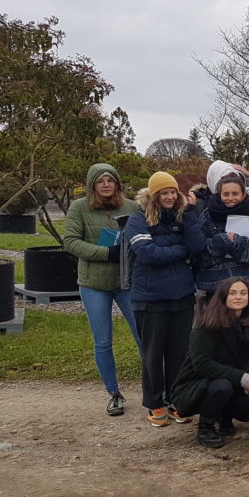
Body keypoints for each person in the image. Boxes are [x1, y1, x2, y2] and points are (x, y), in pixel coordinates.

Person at [63, 163, 142, 416]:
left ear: (117, 184)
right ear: (92, 185)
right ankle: (114, 393)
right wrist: (106, 253)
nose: (106, 185)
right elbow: (71, 241)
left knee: (144, 336)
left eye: (111, 180)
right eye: (100, 181)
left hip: (127, 282)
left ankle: (157, 388)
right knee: (103, 341)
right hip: (94, 283)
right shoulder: (79, 207)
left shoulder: (131, 207)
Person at [125, 172, 203, 427]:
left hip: (181, 296)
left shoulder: (183, 218)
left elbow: (198, 246)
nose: (169, 197)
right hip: (149, 299)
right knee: (152, 354)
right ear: (153, 195)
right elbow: (148, 254)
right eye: (164, 193)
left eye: (172, 192)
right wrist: (181, 252)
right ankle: (155, 403)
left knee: (179, 354)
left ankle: (177, 400)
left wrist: (190, 213)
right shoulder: (137, 221)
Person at [190, 172, 249, 400]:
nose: (230, 198)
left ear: (243, 193)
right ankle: (218, 386)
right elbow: (200, 251)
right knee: (218, 338)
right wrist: (220, 243)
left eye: (235, 193)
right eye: (225, 194)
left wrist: (236, 244)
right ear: (218, 193)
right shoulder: (206, 216)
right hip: (215, 287)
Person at [169, 278, 249, 449]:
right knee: (222, 386)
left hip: (231, 379)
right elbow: (202, 364)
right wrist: (241, 377)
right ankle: (206, 427)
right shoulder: (206, 324)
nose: (239, 297)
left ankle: (225, 418)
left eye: (243, 293)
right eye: (233, 293)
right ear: (223, 297)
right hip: (196, 383)